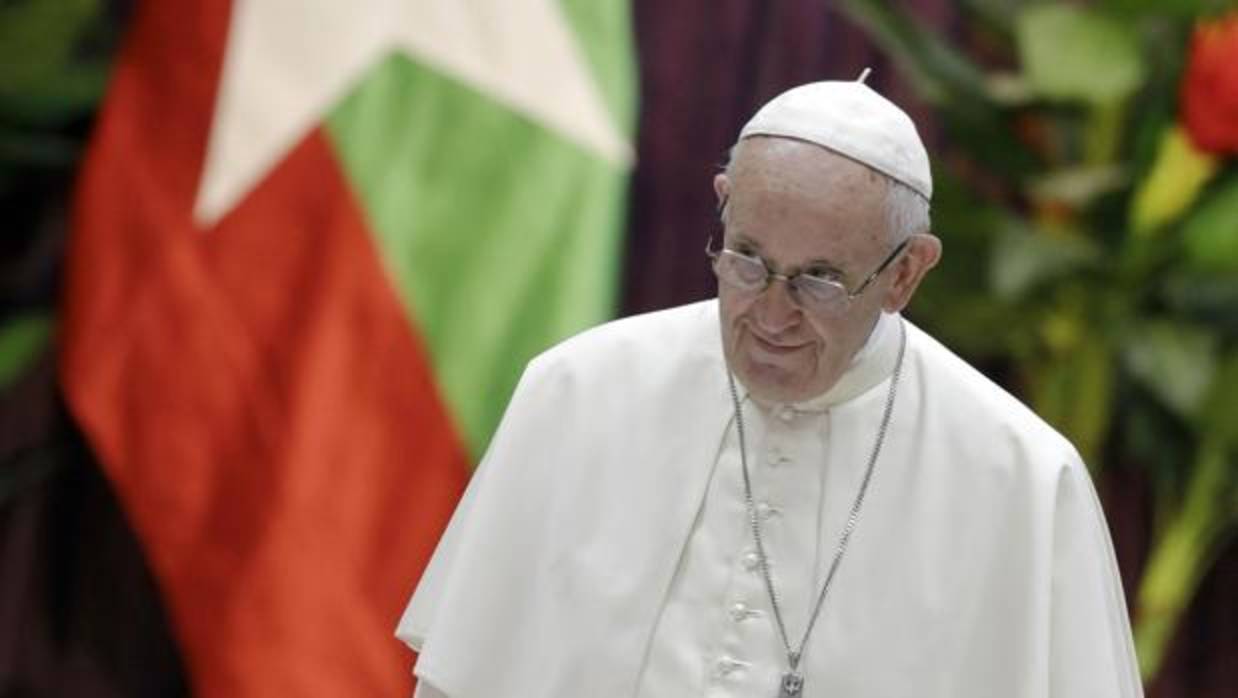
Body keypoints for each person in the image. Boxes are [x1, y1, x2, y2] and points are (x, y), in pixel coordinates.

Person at [395, 75, 1143, 698]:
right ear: (724, 201)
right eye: (747, 258)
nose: (772, 314)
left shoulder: (1020, 476)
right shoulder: (578, 392)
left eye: (820, 278)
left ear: (907, 272)